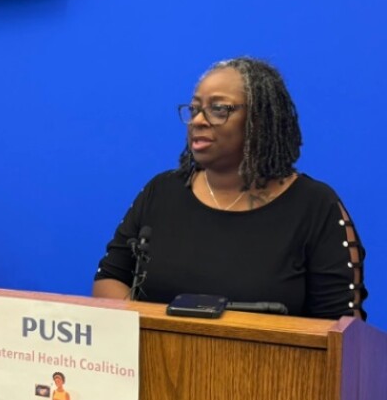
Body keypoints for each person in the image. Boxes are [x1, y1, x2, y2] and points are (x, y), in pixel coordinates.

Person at [93, 57, 366, 320]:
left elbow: (339, 330)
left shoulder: (315, 206)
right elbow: (111, 278)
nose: (198, 120)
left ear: (260, 119)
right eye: (195, 108)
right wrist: (155, 331)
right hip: (158, 364)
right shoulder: (162, 192)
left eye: (218, 109)